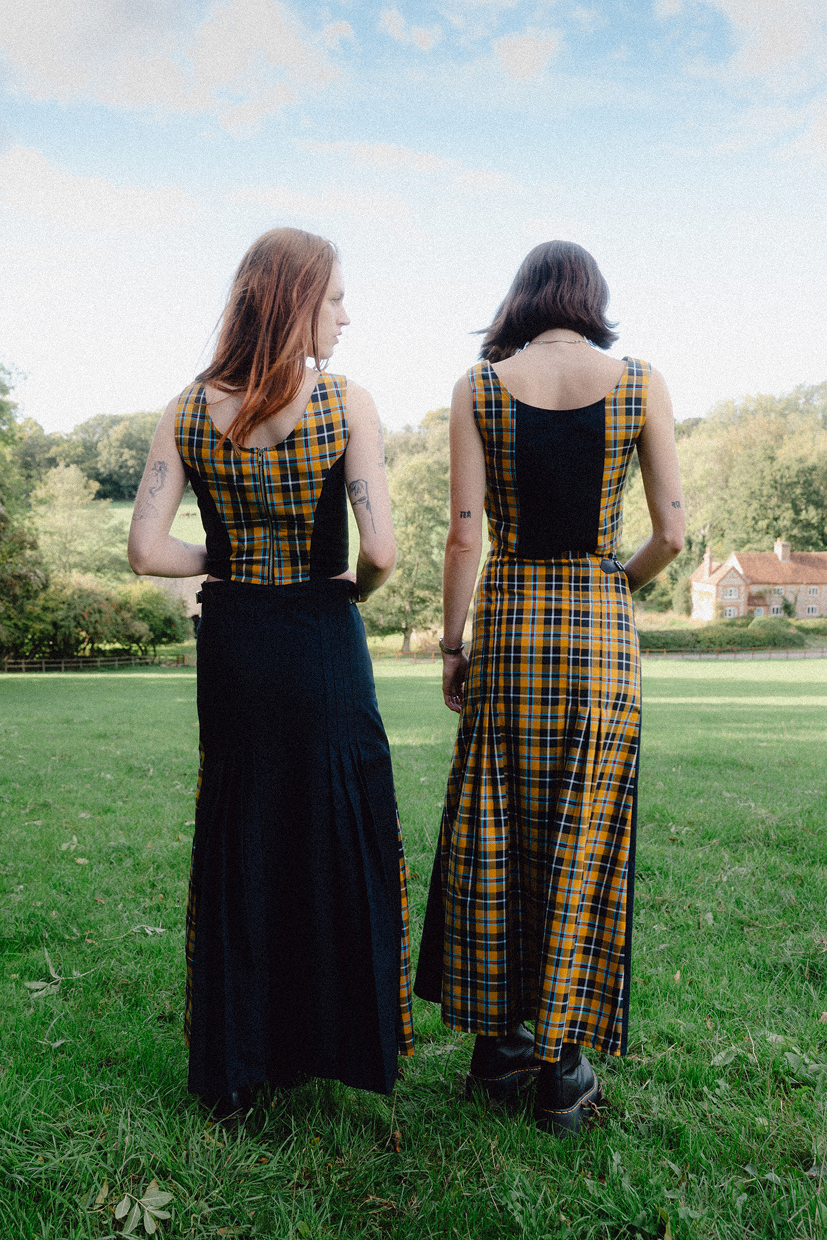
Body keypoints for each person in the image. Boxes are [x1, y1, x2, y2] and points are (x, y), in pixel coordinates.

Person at [128, 226, 413, 1116]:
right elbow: (380, 552)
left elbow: (145, 550)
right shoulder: (346, 404)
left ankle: (237, 1067)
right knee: (334, 830)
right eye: (335, 299)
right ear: (295, 302)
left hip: (237, 644)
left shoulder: (185, 410)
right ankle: (335, 1042)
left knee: (242, 834)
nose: (346, 317)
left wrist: (224, 556)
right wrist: (350, 586)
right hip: (322, 637)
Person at [414, 240, 684, 1136]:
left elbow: (464, 535)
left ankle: (498, 1051)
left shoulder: (479, 387)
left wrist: (450, 645)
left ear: (522, 297)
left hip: (510, 628)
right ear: (592, 298)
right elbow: (671, 535)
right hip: (599, 635)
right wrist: (612, 584)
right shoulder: (639, 383)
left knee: (497, 828)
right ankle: (563, 1075)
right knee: (582, 834)